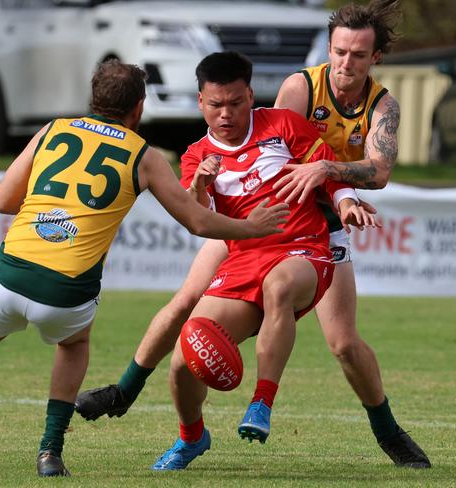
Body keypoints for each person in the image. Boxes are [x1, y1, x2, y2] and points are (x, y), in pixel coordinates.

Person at [0, 60, 291, 477]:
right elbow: (197, 221)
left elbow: (0, 201)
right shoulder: (143, 154)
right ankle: (50, 452)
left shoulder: (52, 130)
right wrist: (250, 227)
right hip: (65, 291)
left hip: (10, 273)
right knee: (73, 343)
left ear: (94, 99)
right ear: (138, 108)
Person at [75, 0, 432, 470]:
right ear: (329, 48)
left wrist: (338, 191)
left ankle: (387, 431)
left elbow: (373, 169)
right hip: (247, 224)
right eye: (339, 51)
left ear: (375, 59)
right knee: (186, 307)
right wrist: (216, 197)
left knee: (342, 342)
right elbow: (263, 161)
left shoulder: (382, 105)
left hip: (313, 226)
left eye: (358, 55)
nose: (346, 63)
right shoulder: (299, 88)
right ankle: (127, 391)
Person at [149, 50, 377, 470]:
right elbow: (200, 221)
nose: (226, 114)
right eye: (216, 105)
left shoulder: (284, 125)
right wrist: (200, 187)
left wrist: (346, 202)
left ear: (250, 95)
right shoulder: (195, 156)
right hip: (242, 259)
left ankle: (261, 403)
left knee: (280, 286)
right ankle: (191, 437)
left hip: (303, 247)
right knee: (184, 359)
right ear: (200, 102)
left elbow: (325, 172)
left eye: (236, 102)